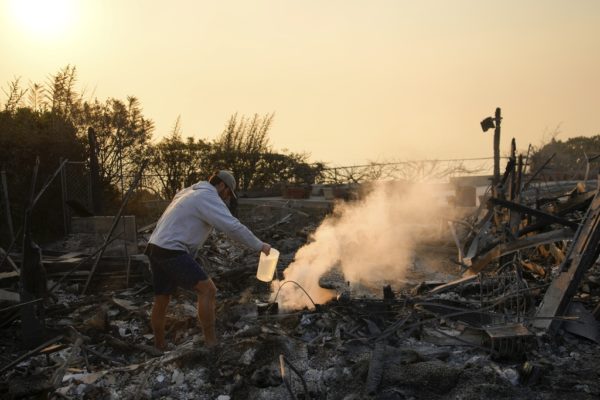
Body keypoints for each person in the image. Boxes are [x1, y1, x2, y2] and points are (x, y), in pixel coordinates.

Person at [146, 170, 271, 350]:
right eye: (228, 192)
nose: (227, 197)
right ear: (221, 185)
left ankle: (159, 345)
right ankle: (211, 343)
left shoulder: (188, 192)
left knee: (162, 298)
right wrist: (260, 245)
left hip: (155, 246)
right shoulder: (208, 197)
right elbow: (232, 226)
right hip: (171, 249)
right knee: (208, 290)